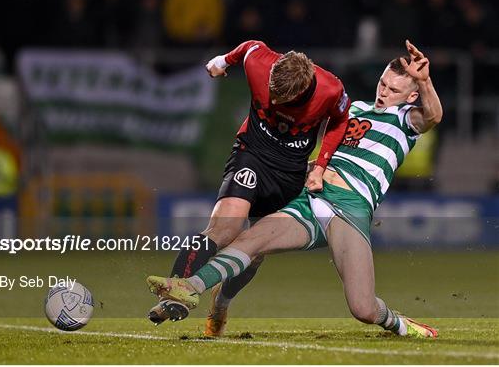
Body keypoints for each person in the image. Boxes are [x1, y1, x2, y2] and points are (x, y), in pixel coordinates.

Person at [147, 40, 443, 338]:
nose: (383, 93)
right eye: (382, 84)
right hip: (311, 198)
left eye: (394, 91)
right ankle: (189, 288)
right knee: (250, 241)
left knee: (363, 309)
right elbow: (327, 138)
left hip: (349, 208)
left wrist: (426, 80)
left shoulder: (406, 120)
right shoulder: (354, 109)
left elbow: (433, 115)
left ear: (412, 95)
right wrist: (317, 167)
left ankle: (400, 324)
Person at [147, 39, 350, 325]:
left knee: (254, 250)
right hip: (250, 154)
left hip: (289, 173)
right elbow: (247, 47)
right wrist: (222, 61)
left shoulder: (331, 89)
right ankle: (173, 294)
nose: (275, 102)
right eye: (272, 94)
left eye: (284, 100)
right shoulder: (259, 63)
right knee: (224, 226)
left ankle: (221, 303)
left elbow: (341, 121)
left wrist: (320, 166)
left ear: (304, 90)